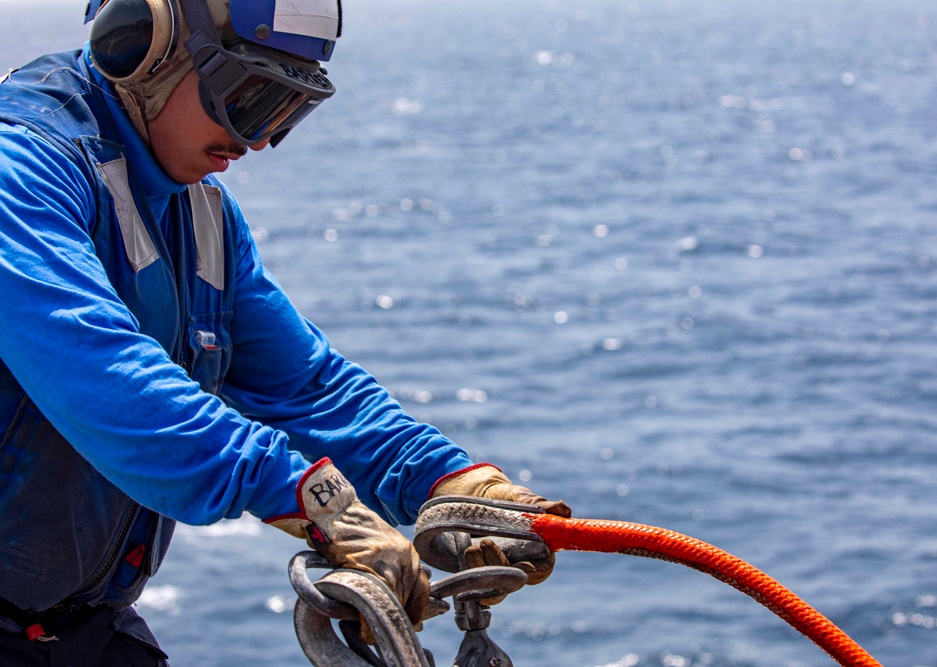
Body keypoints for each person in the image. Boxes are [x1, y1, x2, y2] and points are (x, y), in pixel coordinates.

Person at [0, 1, 571, 664]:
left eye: (285, 110)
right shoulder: (20, 169)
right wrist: (313, 502)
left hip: (73, 630)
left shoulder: (200, 214)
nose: (258, 140)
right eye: (248, 97)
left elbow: (305, 388)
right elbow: (103, 377)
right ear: (141, 42)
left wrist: (449, 481)